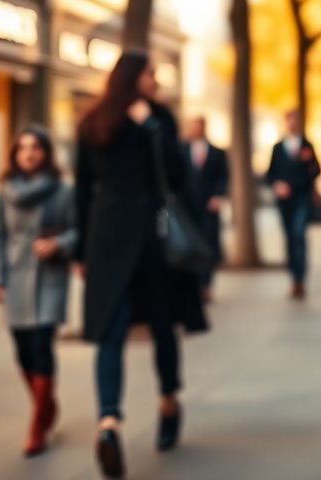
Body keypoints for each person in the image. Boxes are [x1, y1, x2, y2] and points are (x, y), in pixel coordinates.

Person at [74, 52, 208, 479]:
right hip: (135, 240)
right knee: (141, 328)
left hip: (125, 241)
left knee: (139, 330)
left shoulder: (141, 119)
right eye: (152, 74)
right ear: (134, 78)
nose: (157, 80)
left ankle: (135, 410)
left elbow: (174, 172)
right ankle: (136, 413)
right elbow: (83, 187)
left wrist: (83, 250)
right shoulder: (105, 121)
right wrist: (80, 252)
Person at [0, 126, 77, 458]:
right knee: (22, 350)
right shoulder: (3, 192)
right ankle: (47, 404)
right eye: (22, 148)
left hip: (49, 277)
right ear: (14, 154)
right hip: (14, 277)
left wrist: (58, 244)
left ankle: (37, 424)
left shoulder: (65, 191)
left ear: (46, 153)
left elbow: (80, 231)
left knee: (41, 344)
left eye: (35, 147)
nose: (28, 153)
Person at [264, 110, 321, 300]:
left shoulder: (307, 145)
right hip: (284, 200)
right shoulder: (278, 148)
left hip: (302, 197)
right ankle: (293, 276)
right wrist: (277, 185)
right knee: (289, 236)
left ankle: (300, 277)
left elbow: (317, 170)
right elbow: (270, 174)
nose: (292, 124)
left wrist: (309, 161)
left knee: (299, 234)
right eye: (289, 121)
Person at [182, 116, 228, 302]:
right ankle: (192, 285)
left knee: (208, 244)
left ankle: (206, 285)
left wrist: (217, 196)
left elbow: (224, 176)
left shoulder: (217, 152)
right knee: (190, 244)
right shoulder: (182, 150)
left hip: (209, 206)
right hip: (188, 206)